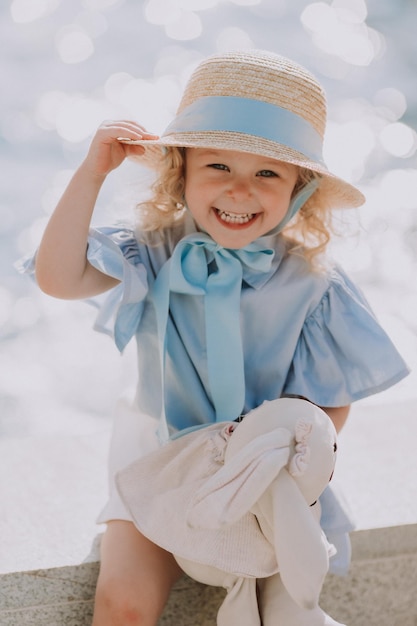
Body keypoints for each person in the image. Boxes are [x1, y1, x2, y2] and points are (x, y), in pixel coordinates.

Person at [27, 50, 409, 625]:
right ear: (181, 171)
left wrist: (283, 452)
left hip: (262, 473)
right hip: (158, 453)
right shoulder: (153, 249)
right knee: (123, 605)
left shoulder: (313, 285)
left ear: (300, 189)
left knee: (288, 602)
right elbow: (58, 279)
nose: (239, 191)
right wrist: (92, 172)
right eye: (218, 167)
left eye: (267, 174)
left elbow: (330, 404)